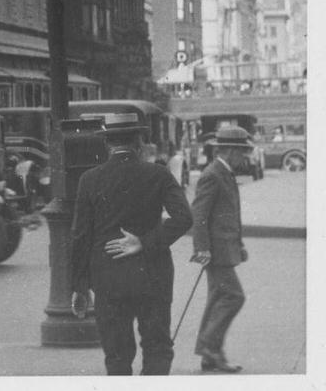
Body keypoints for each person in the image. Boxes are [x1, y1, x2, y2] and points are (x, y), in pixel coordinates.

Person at [71, 112, 193, 375]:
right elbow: (184, 217)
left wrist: (79, 286)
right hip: (153, 275)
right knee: (157, 347)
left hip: (108, 277)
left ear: (107, 143)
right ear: (139, 142)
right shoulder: (158, 175)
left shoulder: (89, 180)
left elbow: (80, 236)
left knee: (116, 355)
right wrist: (144, 242)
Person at [191, 126, 249, 373]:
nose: (245, 157)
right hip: (216, 251)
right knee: (234, 296)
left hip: (225, 247)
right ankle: (209, 347)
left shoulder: (224, 172)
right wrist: (202, 248)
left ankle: (209, 356)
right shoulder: (213, 174)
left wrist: (240, 243)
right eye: (242, 152)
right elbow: (199, 214)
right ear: (229, 150)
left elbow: (229, 214)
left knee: (218, 297)